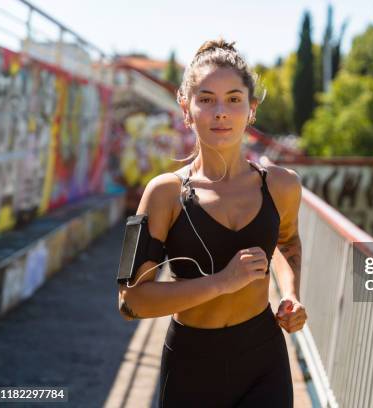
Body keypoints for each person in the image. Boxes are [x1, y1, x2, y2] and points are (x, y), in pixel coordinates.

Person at [117, 38, 307, 407]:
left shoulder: (283, 185)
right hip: (191, 365)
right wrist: (222, 283)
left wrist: (291, 295)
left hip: (263, 359)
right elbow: (131, 301)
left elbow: (287, 244)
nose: (221, 111)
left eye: (234, 99)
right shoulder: (163, 194)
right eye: (206, 99)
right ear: (186, 109)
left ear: (251, 110)